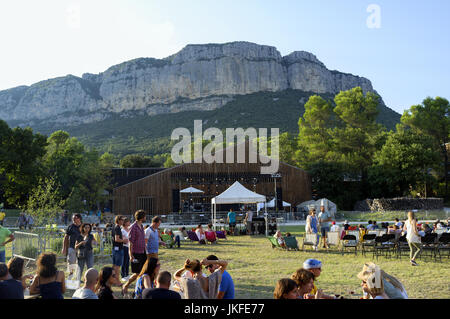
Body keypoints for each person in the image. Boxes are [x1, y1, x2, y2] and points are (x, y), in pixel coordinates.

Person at [123, 210, 147, 295]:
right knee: (137, 273)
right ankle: (126, 285)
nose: (145, 217)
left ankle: (138, 290)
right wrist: (130, 254)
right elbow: (131, 242)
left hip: (143, 252)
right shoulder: (133, 227)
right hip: (136, 253)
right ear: (141, 217)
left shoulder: (141, 226)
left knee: (143, 272)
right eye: (144, 216)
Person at [61, 213, 82, 280]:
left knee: (80, 263)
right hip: (72, 247)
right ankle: (70, 275)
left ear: (79, 219)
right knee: (71, 262)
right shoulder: (71, 227)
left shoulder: (83, 226)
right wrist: (64, 248)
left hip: (81, 248)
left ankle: (78, 277)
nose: (73, 219)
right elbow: (66, 237)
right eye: (72, 218)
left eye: (75, 218)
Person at [112, 216, 127, 282]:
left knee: (115, 265)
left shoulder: (115, 227)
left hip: (115, 249)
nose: (123, 221)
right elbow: (117, 239)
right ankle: (117, 280)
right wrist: (124, 240)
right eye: (122, 220)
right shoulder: (117, 228)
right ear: (118, 220)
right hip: (118, 249)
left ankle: (113, 280)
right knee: (117, 266)